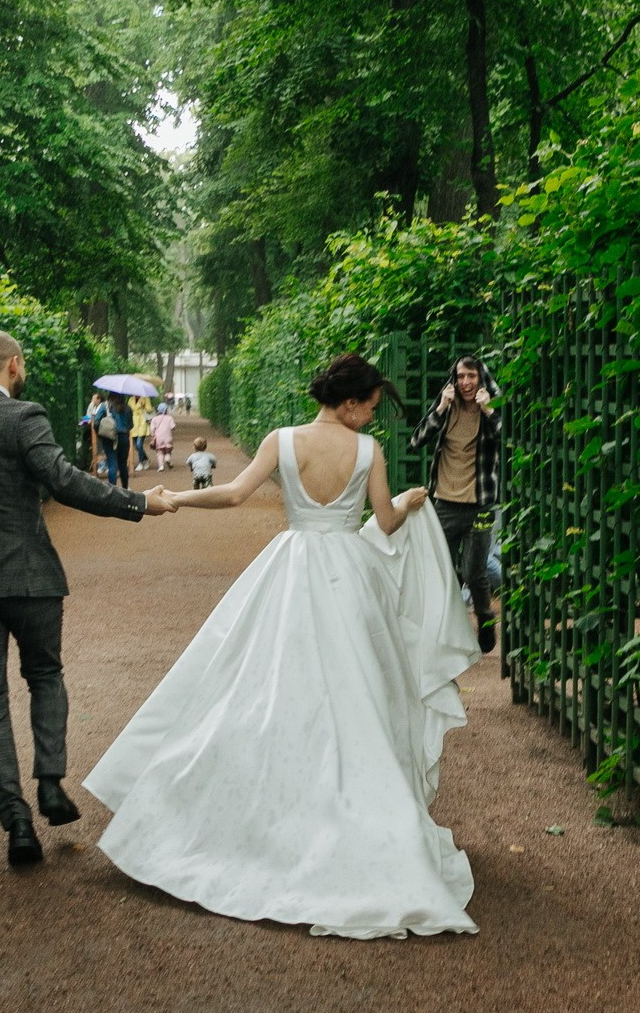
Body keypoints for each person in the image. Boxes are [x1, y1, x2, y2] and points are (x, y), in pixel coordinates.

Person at [83, 353, 480, 939]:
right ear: (348, 403)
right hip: (350, 576)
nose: (370, 420)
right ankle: (361, 817)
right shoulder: (367, 453)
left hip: (290, 567)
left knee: (261, 684)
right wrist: (411, 502)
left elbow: (235, 493)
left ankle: (257, 815)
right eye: (369, 408)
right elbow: (386, 524)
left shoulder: (282, 440)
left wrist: (178, 499)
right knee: (358, 694)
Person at [0, 331, 179, 867]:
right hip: (30, 577)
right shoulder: (24, 417)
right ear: (13, 366)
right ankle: (49, 782)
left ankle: (15, 819)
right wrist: (138, 502)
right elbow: (64, 481)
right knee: (44, 675)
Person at [410, 356, 502, 654]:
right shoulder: (446, 407)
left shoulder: (492, 408)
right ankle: (448, 634)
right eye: (461, 376)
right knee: (442, 571)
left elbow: (510, 438)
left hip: (481, 504)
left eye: (471, 376)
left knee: (475, 572)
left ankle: (485, 617)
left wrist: (489, 410)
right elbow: (417, 440)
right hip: (445, 504)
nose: (465, 382)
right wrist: (440, 409)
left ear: (481, 378)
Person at [93, 393, 132, 487]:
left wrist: (100, 433)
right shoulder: (127, 408)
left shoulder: (105, 405)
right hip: (123, 437)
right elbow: (131, 425)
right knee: (123, 464)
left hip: (109, 437)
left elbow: (96, 421)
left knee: (112, 463)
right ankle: (125, 489)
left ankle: (112, 490)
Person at [128, 393, 155, 472]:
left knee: (139, 444)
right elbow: (129, 409)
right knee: (137, 446)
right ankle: (146, 459)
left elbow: (149, 409)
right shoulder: (131, 399)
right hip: (133, 422)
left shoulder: (145, 398)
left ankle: (141, 462)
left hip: (142, 421)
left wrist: (144, 405)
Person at [148, 403, 177, 471]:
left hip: (158, 439)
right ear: (166, 410)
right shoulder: (170, 418)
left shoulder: (154, 419)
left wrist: (152, 437)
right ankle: (167, 459)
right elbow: (173, 427)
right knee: (168, 451)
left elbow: (152, 430)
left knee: (160, 452)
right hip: (168, 437)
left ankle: (161, 466)